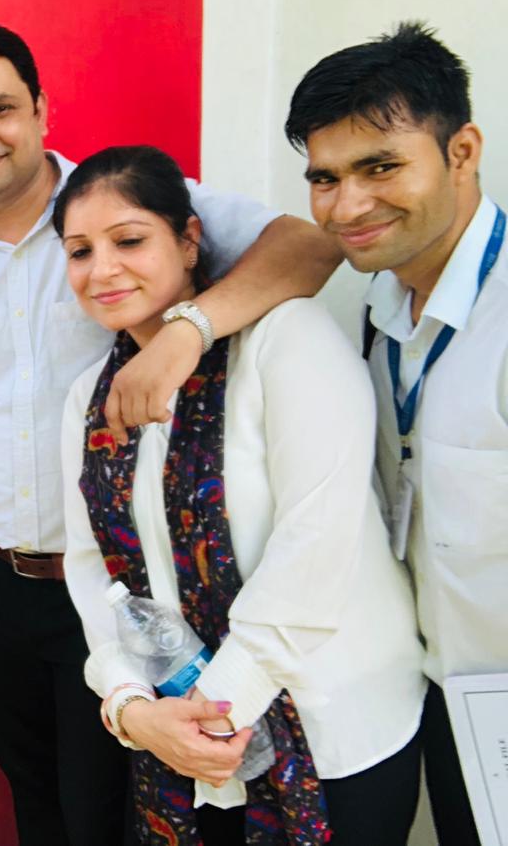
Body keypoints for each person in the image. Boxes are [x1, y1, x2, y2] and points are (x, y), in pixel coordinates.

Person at [0, 24, 342, 845]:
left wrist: (186, 332)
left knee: (113, 806)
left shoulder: (120, 207)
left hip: (120, 589)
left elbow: (310, 247)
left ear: (41, 110)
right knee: (34, 798)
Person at [57, 144, 426, 845]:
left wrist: (214, 706)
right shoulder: (89, 398)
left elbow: (319, 543)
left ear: (189, 240)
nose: (102, 269)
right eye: (80, 251)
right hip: (183, 751)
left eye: (129, 240)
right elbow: (92, 571)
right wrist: (132, 706)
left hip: (330, 734)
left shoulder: (285, 341)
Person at [286, 21, 507, 846]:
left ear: (462, 152)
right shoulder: (379, 306)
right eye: (326, 178)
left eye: (381, 167)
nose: (348, 206)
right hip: (444, 704)